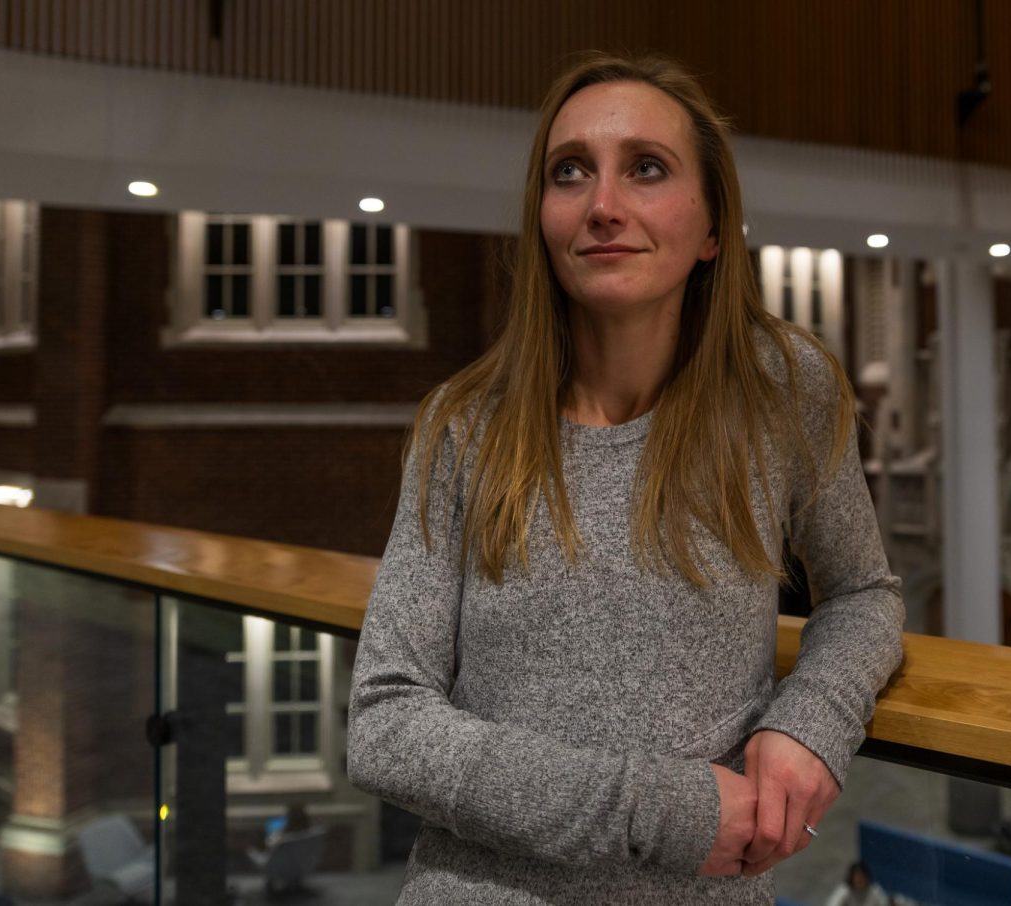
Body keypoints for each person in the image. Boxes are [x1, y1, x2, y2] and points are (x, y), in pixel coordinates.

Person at [347, 51, 904, 904]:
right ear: (543, 217)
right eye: (571, 172)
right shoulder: (465, 424)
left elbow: (863, 593)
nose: (604, 206)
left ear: (713, 227)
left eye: (647, 169)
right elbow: (386, 722)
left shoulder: (784, 389)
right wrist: (654, 810)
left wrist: (812, 722)